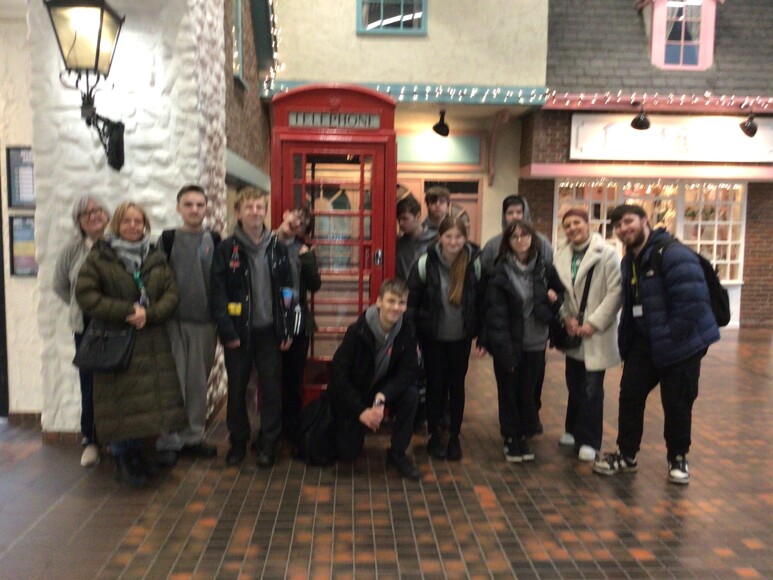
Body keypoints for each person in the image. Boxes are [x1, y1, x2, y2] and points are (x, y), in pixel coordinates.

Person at [593, 204, 720, 485]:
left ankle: (678, 458)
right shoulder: (630, 260)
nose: (623, 229)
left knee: (677, 403)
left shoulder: (673, 254)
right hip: (645, 341)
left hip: (682, 344)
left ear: (644, 221)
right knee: (630, 395)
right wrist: (630, 340)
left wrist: (668, 338)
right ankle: (627, 455)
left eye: (628, 221)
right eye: (618, 225)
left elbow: (692, 305)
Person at [75, 201, 186, 487]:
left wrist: (150, 314)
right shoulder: (101, 257)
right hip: (117, 343)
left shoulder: (155, 256)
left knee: (143, 404)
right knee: (121, 402)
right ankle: (122, 458)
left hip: (150, 342)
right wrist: (127, 311)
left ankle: (137, 454)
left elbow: (172, 295)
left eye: (138, 221)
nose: (133, 226)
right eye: (127, 221)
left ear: (145, 226)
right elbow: (86, 296)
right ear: (117, 224)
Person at [211, 187, 293, 468]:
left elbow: (287, 290)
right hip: (238, 333)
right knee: (236, 390)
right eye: (249, 207)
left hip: (270, 332)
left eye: (260, 207)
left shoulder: (278, 247)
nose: (255, 212)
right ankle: (238, 441)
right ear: (238, 213)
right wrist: (226, 331)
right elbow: (218, 294)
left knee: (271, 389)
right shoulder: (226, 249)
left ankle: (269, 442)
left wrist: (287, 327)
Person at [407, 216, 485, 461]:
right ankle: (434, 435)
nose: (453, 242)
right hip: (432, 337)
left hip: (460, 338)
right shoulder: (424, 263)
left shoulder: (475, 263)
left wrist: (482, 336)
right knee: (435, 386)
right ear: (439, 237)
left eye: (458, 237)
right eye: (448, 236)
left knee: (457, 387)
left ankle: (454, 437)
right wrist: (413, 336)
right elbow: (412, 303)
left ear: (465, 238)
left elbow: (483, 302)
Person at [484, 220, 562, 463]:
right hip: (508, 340)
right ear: (507, 242)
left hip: (536, 340)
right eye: (514, 236)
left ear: (532, 238)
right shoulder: (499, 270)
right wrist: (498, 343)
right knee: (508, 390)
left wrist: (554, 300)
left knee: (528, 391)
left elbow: (559, 297)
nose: (520, 240)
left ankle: (523, 435)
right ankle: (510, 437)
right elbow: (493, 311)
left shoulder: (544, 268)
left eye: (524, 235)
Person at [327, 278, 420, 480]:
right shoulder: (357, 331)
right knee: (347, 453)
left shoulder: (407, 331)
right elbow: (338, 375)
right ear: (379, 302)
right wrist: (361, 410)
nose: (396, 307)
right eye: (391, 301)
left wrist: (383, 396)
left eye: (401, 302)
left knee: (411, 394)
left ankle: (397, 453)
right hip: (357, 393)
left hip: (382, 391)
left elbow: (409, 371)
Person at [154, 185, 220, 467]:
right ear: (179, 208)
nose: (194, 209)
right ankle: (169, 439)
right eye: (188, 204)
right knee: (173, 383)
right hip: (173, 323)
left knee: (197, 384)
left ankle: (193, 437)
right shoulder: (167, 239)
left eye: (199, 205)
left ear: (206, 208)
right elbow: (155, 279)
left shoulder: (214, 240)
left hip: (205, 324)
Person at [480, 194, 554, 433]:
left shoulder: (542, 243)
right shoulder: (493, 246)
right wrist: (486, 334)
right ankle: (513, 429)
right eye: (509, 213)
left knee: (533, 382)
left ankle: (531, 418)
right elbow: (486, 287)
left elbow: (552, 280)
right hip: (508, 330)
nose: (514, 217)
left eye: (518, 212)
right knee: (510, 383)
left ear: (526, 214)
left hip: (535, 333)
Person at [553, 208, 621, 462]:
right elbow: (557, 291)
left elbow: (615, 293)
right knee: (574, 382)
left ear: (588, 224)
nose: (572, 228)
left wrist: (594, 323)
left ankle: (590, 440)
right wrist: (565, 317)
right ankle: (572, 429)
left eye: (577, 223)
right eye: (567, 225)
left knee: (592, 388)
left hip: (596, 332)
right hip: (573, 330)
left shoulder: (607, 254)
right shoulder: (560, 255)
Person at [53, 195, 110, 468]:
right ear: (78, 221)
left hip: (117, 324)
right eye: (87, 213)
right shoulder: (72, 250)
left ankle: (119, 438)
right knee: (89, 384)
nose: (94, 215)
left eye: (98, 210)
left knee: (119, 382)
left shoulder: (117, 244)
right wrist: (80, 306)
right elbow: (60, 285)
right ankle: (91, 440)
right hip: (86, 327)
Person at [274, 205, 321, 446]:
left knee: (293, 380)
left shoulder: (303, 250)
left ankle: (292, 429)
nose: (296, 223)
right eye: (296, 216)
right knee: (271, 380)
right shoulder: (265, 243)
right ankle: (272, 428)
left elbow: (315, 285)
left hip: (297, 323)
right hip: (270, 320)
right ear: (285, 214)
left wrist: (308, 259)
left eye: (303, 223)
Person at [396, 194, 436, 281]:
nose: (401, 223)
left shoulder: (435, 241)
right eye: (398, 219)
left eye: (405, 218)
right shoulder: (399, 244)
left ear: (417, 217)